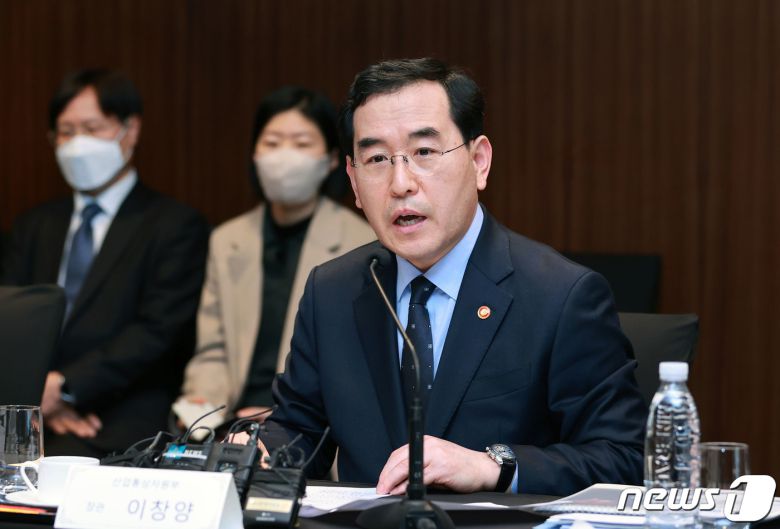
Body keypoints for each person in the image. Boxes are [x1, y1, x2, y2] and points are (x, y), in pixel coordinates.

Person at [255, 58, 647, 496]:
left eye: (424, 153)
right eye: (377, 159)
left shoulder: (560, 295)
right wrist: (259, 453)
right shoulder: (332, 291)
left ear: (479, 162)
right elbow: (300, 430)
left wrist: (492, 466)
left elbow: (624, 458)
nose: (401, 183)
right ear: (353, 180)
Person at [2, 69, 209, 457]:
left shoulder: (174, 225)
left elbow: (158, 331)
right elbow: (11, 318)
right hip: (29, 409)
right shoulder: (34, 226)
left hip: (122, 410)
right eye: (66, 132)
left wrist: (64, 387)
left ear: (130, 130)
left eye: (92, 128)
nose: (77, 143)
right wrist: (38, 396)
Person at [177, 86, 375, 425]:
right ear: (254, 153)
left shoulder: (362, 242)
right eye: (271, 142)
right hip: (229, 419)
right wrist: (201, 411)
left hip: (307, 424)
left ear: (331, 159)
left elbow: (353, 366)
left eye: (301, 144)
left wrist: (282, 416)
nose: (284, 156)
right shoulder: (227, 240)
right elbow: (214, 350)